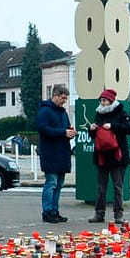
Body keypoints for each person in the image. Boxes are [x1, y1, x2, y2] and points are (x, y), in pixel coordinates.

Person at [88, 87, 130, 225]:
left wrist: (112, 125)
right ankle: (99, 213)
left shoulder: (121, 113)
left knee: (117, 186)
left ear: (111, 101)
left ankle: (118, 214)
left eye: (104, 100)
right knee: (101, 187)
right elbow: (94, 137)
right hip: (102, 156)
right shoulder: (99, 114)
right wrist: (92, 130)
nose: (102, 103)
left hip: (117, 156)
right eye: (101, 100)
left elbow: (129, 128)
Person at [35, 84, 75, 224]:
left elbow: (65, 127)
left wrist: (70, 132)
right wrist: (63, 132)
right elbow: (43, 129)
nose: (64, 101)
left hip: (62, 152)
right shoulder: (45, 111)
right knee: (51, 183)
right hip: (51, 153)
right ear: (55, 95)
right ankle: (47, 211)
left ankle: (54, 210)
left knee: (58, 185)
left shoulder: (63, 112)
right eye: (63, 98)